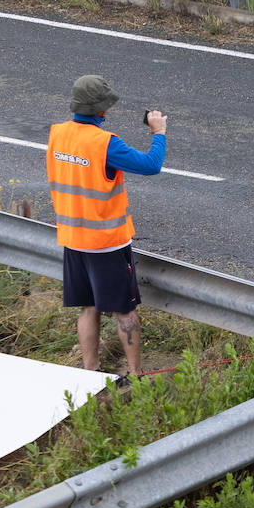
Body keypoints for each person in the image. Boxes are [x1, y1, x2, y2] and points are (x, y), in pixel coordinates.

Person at [46, 75, 167, 378]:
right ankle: (136, 374)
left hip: (73, 238)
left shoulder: (57, 134)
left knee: (88, 307)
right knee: (124, 310)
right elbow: (151, 165)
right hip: (106, 243)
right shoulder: (105, 143)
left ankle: (90, 372)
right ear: (101, 111)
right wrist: (159, 132)